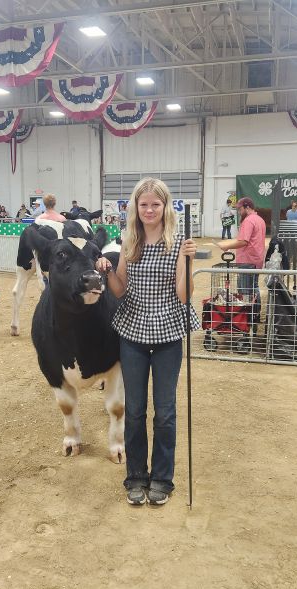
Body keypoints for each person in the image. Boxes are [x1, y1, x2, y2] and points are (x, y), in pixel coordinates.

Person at [95, 177, 199, 507]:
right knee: (136, 410)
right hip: (134, 333)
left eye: (156, 204)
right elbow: (120, 289)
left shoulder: (180, 242)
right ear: (135, 208)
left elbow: (184, 295)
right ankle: (136, 475)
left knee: (165, 412)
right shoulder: (130, 241)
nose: (150, 209)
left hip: (168, 333)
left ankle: (163, 478)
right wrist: (107, 270)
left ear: (166, 207)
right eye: (144, 205)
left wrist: (188, 263)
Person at [217, 197, 266, 322]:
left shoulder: (248, 221)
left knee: (245, 290)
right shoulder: (259, 219)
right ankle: (255, 314)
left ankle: (247, 316)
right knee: (253, 287)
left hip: (247, 260)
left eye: (240, 209)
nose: (239, 211)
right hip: (256, 259)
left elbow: (244, 241)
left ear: (247, 207)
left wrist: (227, 246)